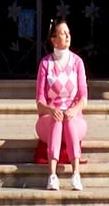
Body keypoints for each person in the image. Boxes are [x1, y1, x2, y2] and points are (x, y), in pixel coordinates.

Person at [34, 17, 87, 191]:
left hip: (73, 118)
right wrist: (51, 109)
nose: (67, 36)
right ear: (54, 39)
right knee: (57, 118)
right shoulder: (45, 64)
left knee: (68, 119)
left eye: (68, 33)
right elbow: (40, 102)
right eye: (63, 33)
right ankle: (52, 174)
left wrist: (74, 109)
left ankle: (76, 174)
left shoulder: (77, 63)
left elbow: (83, 98)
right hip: (49, 120)